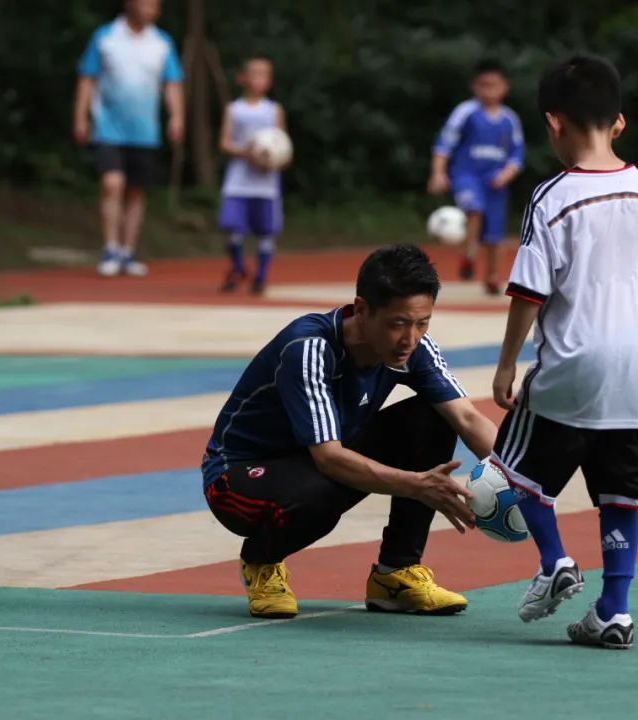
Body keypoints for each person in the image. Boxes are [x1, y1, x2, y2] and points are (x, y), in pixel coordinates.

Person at [490, 55, 638, 649]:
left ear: (554, 123)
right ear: (620, 122)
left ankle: (554, 559)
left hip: (573, 366)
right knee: (620, 492)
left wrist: (507, 363)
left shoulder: (551, 197)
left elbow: (528, 292)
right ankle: (614, 609)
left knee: (508, 472)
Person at [202, 244, 498, 619]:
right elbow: (329, 458)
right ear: (361, 310)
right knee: (319, 493)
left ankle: (396, 575)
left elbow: (468, 419)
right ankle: (261, 559)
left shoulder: (413, 348)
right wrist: (417, 484)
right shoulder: (310, 347)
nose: (410, 337)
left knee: (433, 418)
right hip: (239, 477)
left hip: (321, 459)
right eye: (398, 323)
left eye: (422, 323)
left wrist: (520, 479)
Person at [73, 0, 184, 278]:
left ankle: (128, 250)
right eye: (147, 3)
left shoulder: (161, 42)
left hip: (145, 131)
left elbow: (172, 83)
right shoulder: (105, 37)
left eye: (157, 5)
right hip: (108, 127)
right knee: (112, 183)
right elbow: (87, 78)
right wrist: (80, 117)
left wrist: (176, 117)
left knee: (135, 191)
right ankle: (110, 247)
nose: (153, 9)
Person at [428, 60, 525, 295]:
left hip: (495, 182)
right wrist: (438, 173)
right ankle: (469, 255)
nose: (489, 90)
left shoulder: (509, 119)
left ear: (504, 88)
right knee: (474, 209)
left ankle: (492, 277)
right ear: (475, 87)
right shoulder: (466, 112)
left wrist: (506, 174)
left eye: (494, 85)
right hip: (467, 176)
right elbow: (444, 144)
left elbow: (516, 155)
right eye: (484, 85)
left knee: (494, 236)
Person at [218, 57, 286, 295]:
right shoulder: (234, 109)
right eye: (255, 73)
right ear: (243, 78)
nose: (259, 79)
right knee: (233, 228)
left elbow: (283, 145)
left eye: (265, 74)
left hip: (265, 184)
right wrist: (245, 152)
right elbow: (224, 142)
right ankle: (237, 267)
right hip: (238, 181)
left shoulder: (273, 110)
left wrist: (272, 159)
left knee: (265, 232)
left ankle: (261, 276)